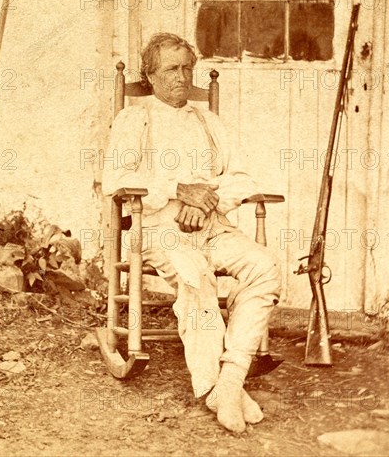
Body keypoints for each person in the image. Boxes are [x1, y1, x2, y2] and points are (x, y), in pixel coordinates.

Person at [102, 33, 281, 433]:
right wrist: (180, 193)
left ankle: (230, 380)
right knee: (194, 272)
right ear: (149, 76)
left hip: (212, 225)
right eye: (171, 69)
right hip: (159, 230)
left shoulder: (209, 122)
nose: (181, 78)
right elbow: (114, 178)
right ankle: (216, 385)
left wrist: (209, 203)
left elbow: (242, 176)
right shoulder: (136, 118)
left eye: (187, 68)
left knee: (264, 265)